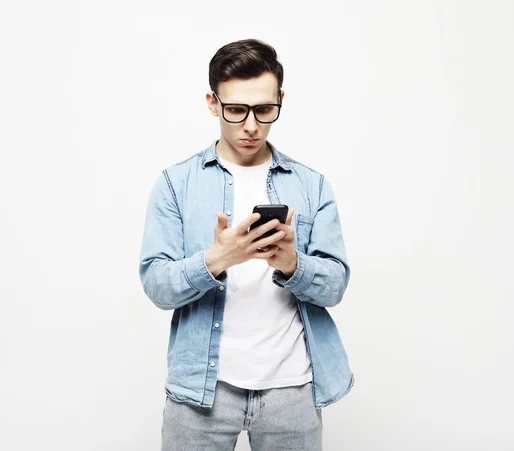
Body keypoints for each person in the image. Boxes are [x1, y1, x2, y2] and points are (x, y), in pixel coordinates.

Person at [139, 38, 354, 451]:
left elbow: (336, 286)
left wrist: (293, 264)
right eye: (236, 110)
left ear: (280, 100)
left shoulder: (312, 185)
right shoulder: (175, 184)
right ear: (212, 102)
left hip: (292, 390)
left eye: (265, 110)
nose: (251, 125)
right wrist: (218, 259)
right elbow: (157, 286)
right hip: (201, 390)